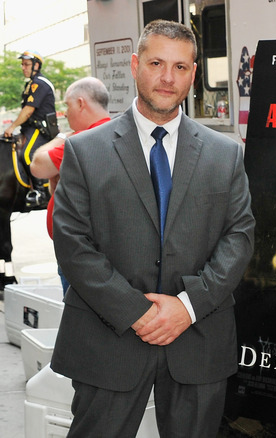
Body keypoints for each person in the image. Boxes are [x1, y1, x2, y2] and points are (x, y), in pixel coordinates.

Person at [50, 19, 255, 437]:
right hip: (107, 339)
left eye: (181, 67)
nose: (167, 77)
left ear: (194, 73)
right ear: (134, 64)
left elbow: (239, 238)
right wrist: (138, 312)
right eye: (157, 62)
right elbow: (73, 244)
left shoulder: (226, 155)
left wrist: (187, 307)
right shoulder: (84, 151)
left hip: (197, 338)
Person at [30, 77, 111, 296]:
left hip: (78, 252)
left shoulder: (78, 142)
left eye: (67, 105)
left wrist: (60, 137)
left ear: (81, 103)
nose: (65, 113)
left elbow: (37, 166)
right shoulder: (116, 134)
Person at [3, 50, 57, 208]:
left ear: (37, 65)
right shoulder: (30, 84)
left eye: (26, 64)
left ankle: (40, 192)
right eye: (22, 64)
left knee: (28, 154)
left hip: (41, 130)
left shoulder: (39, 83)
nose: (23, 67)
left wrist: (12, 126)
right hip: (29, 129)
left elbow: (28, 110)